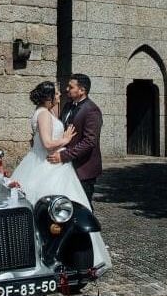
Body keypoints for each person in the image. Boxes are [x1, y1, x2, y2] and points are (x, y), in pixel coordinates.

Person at [11, 81, 92, 210]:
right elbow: (47, 144)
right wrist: (65, 140)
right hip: (49, 162)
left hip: (44, 160)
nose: (60, 94)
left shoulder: (45, 111)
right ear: (49, 97)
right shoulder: (44, 114)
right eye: (56, 93)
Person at [47, 73, 102, 207]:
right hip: (66, 167)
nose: (67, 89)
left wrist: (64, 156)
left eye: (71, 87)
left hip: (83, 168)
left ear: (82, 90)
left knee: (83, 206)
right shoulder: (67, 105)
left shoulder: (92, 110)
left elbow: (89, 142)